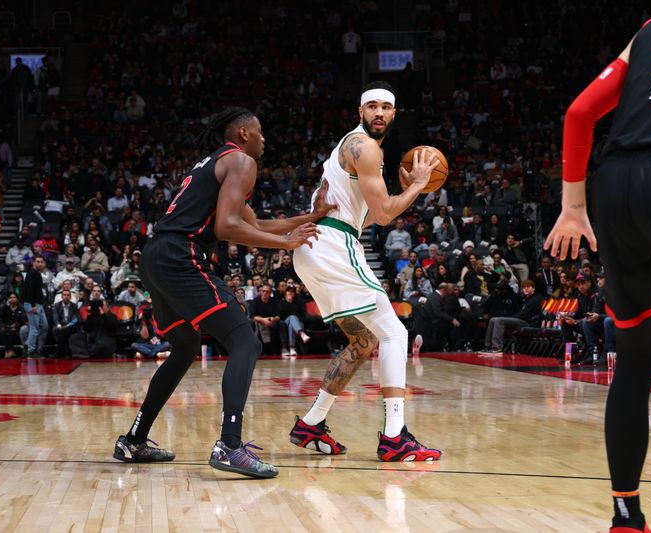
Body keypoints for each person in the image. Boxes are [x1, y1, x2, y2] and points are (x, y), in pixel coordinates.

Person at [545, 6, 651, 530]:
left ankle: (626, 516)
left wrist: (573, 208)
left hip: (613, 185)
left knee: (634, 360)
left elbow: (578, 113)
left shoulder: (650, 29)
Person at [113, 106, 334, 479]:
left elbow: (257, 222)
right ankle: (230, 445)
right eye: (261, 132)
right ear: (244, 134)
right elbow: (229, 227)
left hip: (155, 257)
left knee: (184, 348)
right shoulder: (242, 161)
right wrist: (284, 243)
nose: (265, 140)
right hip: (181, 255)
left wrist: (311, 217)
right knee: (245, 341)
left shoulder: (214, 163)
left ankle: (134, 440)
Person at [290, 82, 441, 461]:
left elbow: (376, 214)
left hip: (315, 249)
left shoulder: (360, 149)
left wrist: (408, 190)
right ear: (361, 112)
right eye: (371, 106)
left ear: (393, 114)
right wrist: (420, 185)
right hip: (333, 244)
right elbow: (388, 214)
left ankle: (311, 422)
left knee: (364, 341)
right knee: (394, 334)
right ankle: (395, 437)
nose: (378, 112)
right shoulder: (365, 146)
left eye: (384, 108)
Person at [481, 279, 543, 353]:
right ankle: (488, 346)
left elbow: (524, 313)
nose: (525, 289)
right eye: (524, 287)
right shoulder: (525, 299)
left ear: (533, 288)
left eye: (528, 287)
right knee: (492, 319)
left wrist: (511, 318)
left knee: (499, 320)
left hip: (527, 323)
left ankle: (497, 347)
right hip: (521, 320)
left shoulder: (535, 299)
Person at [22, 256, 49, 357]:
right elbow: (29, 290)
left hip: (39, 304)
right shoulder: (31, 274)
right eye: (38, 262)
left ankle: (29, 345)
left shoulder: (37, 274)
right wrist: (32, 305)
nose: (40, 264)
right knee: (34, 328)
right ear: (33, 262)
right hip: (32, 304)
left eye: (42, 262)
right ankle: (30, 350)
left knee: (45, 326)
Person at [0, 292, 27, 358]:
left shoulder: (21, 308)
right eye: (10, 298)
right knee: (3, 330)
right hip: (7, 327)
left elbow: (23, 320)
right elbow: (0, 315)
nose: (12, 299)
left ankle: (8, 351)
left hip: (17, 328)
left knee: (10, 333)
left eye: (14, 297)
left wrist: (16, 325)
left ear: (17, 299)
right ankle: (10, 350)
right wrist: (6, 305)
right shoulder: (5, 307)